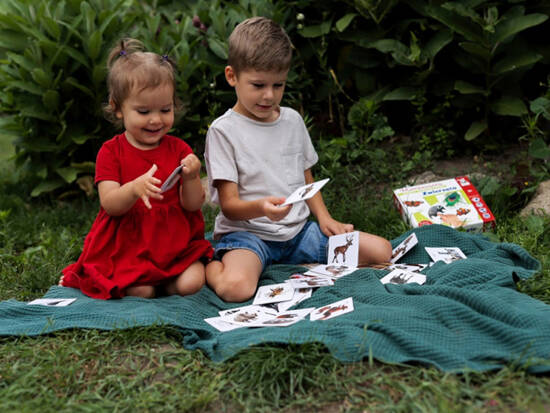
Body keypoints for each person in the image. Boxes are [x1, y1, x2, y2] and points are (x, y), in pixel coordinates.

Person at [204, 17, 392, 303]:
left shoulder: (291, 120)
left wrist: (325, 218)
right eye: (258, 85)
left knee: (381, 251)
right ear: (232, 76)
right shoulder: (223, 131)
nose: (269, 95)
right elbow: (229, 206)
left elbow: (305, 177)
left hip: (300, 233)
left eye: (278, 85)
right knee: (236, 288)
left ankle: (298, 262)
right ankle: (210, 263)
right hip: (249, 236)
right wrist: (262, 208)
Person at [60, 38, 213, 299]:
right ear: (118, 108)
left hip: (174, 245)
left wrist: (191, 178)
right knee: (139, 290)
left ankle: (167, 284)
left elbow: (193, 204)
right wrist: (133, 189)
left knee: (193, 283)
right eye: (143, 111)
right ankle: (152, 286)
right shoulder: (111, 152)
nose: (156, 119)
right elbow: (110, 204)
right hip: (129, 248)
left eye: (165, 109)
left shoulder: (178, 149)